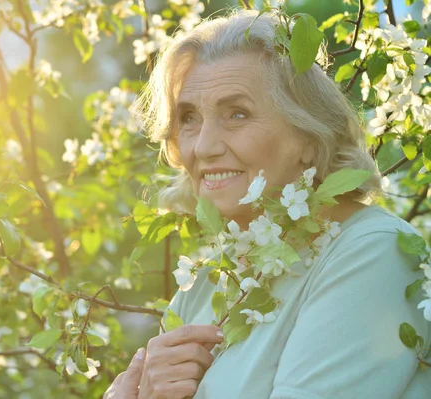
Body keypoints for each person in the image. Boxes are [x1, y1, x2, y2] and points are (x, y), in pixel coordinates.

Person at [105, 7, 431, 399]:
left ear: (310, 137)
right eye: (188, 118)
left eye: (236, 114)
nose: (203, 147)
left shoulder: (374, 253)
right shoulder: (206, 283)